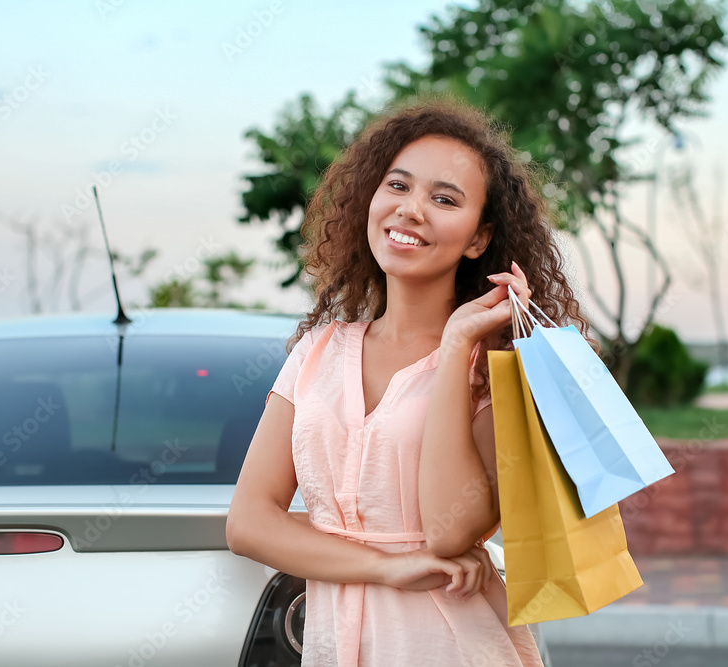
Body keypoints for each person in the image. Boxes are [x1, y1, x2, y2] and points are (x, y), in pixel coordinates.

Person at [226, 96, 590, 666]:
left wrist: (455, 349)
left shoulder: (495, 366)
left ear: (478, 238)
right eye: (398, 186)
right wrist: (387, 566)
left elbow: (448, 534)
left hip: (451, 645)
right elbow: (249, 523)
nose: (411, 209)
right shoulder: (318, 352)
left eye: (444, 199)